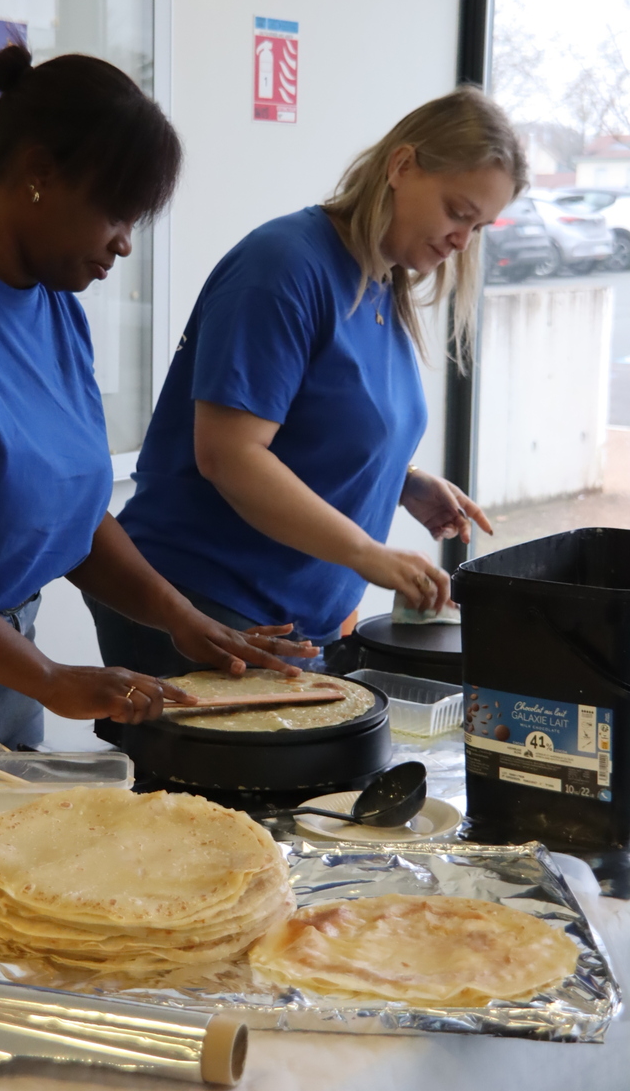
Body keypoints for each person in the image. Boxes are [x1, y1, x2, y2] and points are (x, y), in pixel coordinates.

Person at [0, 42, 312, 803]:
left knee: (2, 871)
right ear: (39, 173)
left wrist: (179, 617)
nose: (124, 242)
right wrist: (49, 677)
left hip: (5, 660)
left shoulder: (54, 304)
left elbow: (73, 514)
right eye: (115, 214)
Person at [89, 86, 527, 676]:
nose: (462, 241)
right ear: (402, 166)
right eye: (457, 212)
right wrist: (367, 554)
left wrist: (398, 481)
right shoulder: (283, 267)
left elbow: (314, 423)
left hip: (292, 619)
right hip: (205, 605)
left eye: (479, 228)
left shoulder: (381, 282)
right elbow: (229, 456)